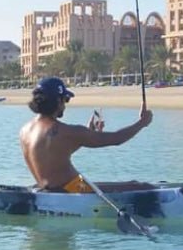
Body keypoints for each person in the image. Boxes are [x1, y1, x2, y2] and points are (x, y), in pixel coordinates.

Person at [18, 76, 153, 193]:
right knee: (141, 186)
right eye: (65, 100)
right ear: (58, 101)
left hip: (47, 190)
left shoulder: (25, 130)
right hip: (71, 191)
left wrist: (88, 133)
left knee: (130, 184)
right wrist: (142, 123)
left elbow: (54, 153)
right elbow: (116, 139)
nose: (65, 105)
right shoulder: (65, 131)